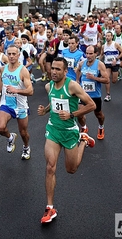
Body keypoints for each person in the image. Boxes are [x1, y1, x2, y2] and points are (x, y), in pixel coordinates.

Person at [37, 57, 96, 224]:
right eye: (52, 69)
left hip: (70, 132)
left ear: (65, 71)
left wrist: (72, 114)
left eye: (57, 69)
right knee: (50, 167)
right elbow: (53, 103)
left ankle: (83, 140)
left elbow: (91, 105)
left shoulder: (72, 86)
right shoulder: (48, 86)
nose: (53, 72)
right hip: (53, 130)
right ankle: (50, 208)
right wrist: (45, 110)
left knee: (71, 169)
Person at [0, 45, 34, 160]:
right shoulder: (3, 69)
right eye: (9, 54)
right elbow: (1, 81)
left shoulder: (23, 71)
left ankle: (26, 147)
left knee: (23, 132)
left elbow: (30, 91)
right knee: (0, 128)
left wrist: (16, 90)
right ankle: (10, 137)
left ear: (18, 55)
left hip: (21, 106)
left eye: (14, 54)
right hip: (6, 104)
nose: (11, 56)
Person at [76, 46, 109, 139]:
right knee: (79, 113)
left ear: (96, 54)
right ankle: (84, 128)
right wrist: (77, 80)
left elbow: (107, 80)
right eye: (87, 53)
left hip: (95, 95)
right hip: (83, 94)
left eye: (90, 54)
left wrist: (94, 78)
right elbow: (78, 70)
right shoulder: (82, 63)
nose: (88, 55)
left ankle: (101, 127)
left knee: (98, 114)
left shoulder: (100, 65)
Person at [99, 31, 122, 101]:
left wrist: (116, 59)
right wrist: (97, 61)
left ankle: (118, 71)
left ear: (112, 37)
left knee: (114, 81)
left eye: (108, 36)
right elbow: (101, 54)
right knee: (107, 79)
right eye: (106, 36)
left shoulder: (115, 44)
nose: (107, 37)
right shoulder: (103, 46)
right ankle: (108, 95)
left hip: (115, 63)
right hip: (107, 64)